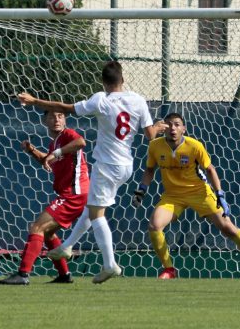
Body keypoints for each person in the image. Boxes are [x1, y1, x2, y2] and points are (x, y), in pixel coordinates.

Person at [18, 61, 167, 284]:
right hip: (126, 165)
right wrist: (158, 126)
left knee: (97, 214)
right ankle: (66, 248)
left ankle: (109, 264)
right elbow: (150, 136)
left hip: (107, 165)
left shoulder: (100, 100)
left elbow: (66, 107)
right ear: (122, 80)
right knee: (92, 209)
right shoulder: (137, 100)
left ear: (103, 82)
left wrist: (35, 101)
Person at [132, 112, 240, 280]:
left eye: (177, 124)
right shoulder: (155, 146)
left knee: (228, 227)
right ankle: (169, 269)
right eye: (169, 124)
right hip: (173, 196)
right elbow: (149, 170)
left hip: (200, 193)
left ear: (184, 129)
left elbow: (210, 169)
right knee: (154, 225)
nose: (173, 128)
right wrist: (141, 190)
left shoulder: (195, 146)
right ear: (163, 128)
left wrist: (220, 195)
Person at [0, 110, 90, 285]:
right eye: (53, 116)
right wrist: (32, 151)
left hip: (74, 193)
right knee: (48, 233)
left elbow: (81, 142)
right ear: (45, 120)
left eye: (60, 116)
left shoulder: (68, 135)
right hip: (72, 193)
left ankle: (23, 275)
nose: (57, 119)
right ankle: (64, 275)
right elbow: (48, 160)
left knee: (37, 227)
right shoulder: (54, 144)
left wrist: (57, 153)